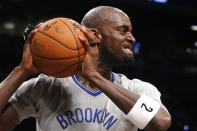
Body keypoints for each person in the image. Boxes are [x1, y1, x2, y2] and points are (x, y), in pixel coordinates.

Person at [0, 6, 171, 131]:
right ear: (96, 35)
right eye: (123, 30)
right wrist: (22, 71)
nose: (132, 38)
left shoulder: (136, 88)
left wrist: (94, 76)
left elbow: (160, 123)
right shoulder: (46, 86)